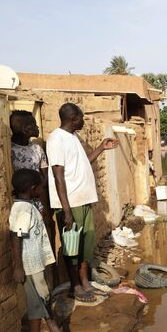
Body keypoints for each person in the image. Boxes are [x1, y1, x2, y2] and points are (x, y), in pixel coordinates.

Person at [47, 103, 119, 303]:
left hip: (84, 200)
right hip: (71, 203)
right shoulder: (56, 139)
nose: (83, 121)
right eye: (81, 118)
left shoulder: (73, 138)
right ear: (73, 119)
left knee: (85, 247)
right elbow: (58, 176)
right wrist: (67, 210)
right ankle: (75, 287)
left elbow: (83, 162)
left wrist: (101, 148)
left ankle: (85, 282)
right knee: (72, 248)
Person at [10, 169, 78, 332]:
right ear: (33, 188)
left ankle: (54, 331)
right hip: (29, 265)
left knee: (43, 295)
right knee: (36, 301)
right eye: (41, 186)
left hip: (35, 263)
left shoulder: (28, 205)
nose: (43, 189)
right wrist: (18, 266)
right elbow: (16, 236)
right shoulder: (23, 209)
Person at [10, 111, 49, 221]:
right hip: (20, 205)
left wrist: (43, 203)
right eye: (34, 125)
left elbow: (45, 177)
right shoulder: (10, 151)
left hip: (38, 201)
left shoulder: (37, 149)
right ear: (25, 129)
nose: (37, 128)